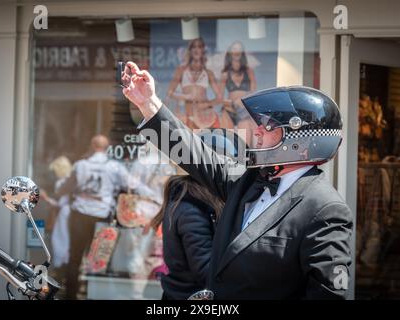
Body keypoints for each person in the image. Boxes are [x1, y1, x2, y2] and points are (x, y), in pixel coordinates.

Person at [121, 61, 353, 299]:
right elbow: (193, 153)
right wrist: (147, 102)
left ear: (300, 141)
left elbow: (328, 293)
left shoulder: (325, 208)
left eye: (270, 125)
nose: (258, 130)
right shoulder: (248, 180)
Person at [56, 134, 130, 300]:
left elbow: (65, 189)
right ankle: (93, 295)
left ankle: (71, 296)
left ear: (92, 145)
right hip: (102, 217)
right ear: (107, 147)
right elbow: (130, 185)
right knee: (99, 259)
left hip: (80, 216)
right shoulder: (114, 167)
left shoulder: (80, 165)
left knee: (75, 257)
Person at [148, 175, 223, 300]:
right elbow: (204, 271)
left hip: (179, 292)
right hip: (190, 294)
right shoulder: (192, 212)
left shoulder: (182, 205)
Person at [166, 38, 221, 129]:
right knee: (188, 142)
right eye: (194, 47)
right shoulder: (181, 70)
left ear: (203, 50)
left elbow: (219, 98)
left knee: (206, 142)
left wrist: (206, 104)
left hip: (204, 116)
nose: (196, 49)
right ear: (190, 50)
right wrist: (185, 96)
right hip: (187, 115)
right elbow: (169, 93)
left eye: (199, 47)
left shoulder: (208, 73)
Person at [219, 41, 257, 136]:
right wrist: (231, 103)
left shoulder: (249, 71)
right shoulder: (225, 73)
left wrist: (241, 101)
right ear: (230, 53)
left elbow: (254, 93)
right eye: (234, 49)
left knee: (245, 139)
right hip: (229, 109)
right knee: (227, 139)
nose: (237, 51)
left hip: (244, 110)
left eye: (239, 49)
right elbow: (219, 97)